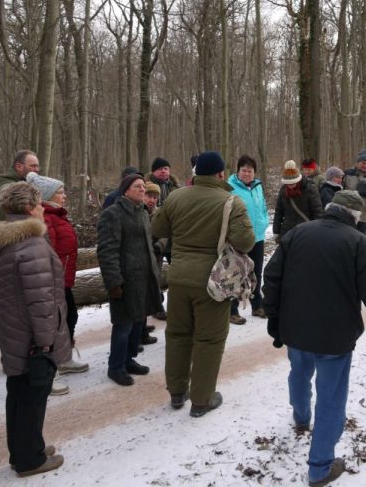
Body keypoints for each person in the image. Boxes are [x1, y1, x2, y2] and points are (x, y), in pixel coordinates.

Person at [263, 190, 366, 487]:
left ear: (330, 209)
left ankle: (301, 416)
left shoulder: (298, 234)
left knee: (299, 373)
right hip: (335, 336)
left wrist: (275, 321)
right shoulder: (359, 243)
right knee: (330, 397)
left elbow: (272, 277)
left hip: (296, 329)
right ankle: (319, 468)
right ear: (354, 217)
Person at [152, 151, 255, 417]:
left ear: (196, 173)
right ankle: (201, 400)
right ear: (221, 174)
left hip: (178, 278)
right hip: (213, 282)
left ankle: (177, 392)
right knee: (209, 339)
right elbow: (245, 243)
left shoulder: (175, 196)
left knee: (177, 335)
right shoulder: (231, 202)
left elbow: (158, 229)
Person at [0, 181, 69, 477]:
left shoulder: (9, 239)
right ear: (30, 207)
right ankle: (29, 459)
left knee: (19, 393)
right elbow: (41, 299)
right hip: (31, 335)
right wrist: (45, 343)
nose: (41, 208)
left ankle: (24, 447)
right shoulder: (31, 244)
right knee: (33, 395)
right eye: (38, 204)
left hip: (14, 329)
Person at [26, 172, 89, 396]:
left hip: (63, 279)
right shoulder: (47, 218)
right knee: (53, 325)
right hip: (52, 282)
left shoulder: (56, 215)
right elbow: (47, 251)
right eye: (60, 192)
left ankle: (62, 359)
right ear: (48, 195)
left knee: (68, 318)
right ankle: (48, 371)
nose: (64, 196)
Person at [98, 174, 160, 386]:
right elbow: (107, 251)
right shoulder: (113, 214)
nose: (143, 190)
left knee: (137, 323)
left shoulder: (142, 213)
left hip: (143, 280)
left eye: (144, 186)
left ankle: (128, 359)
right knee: (123, 326)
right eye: (137, 186)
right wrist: (114, 282)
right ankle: (115, 367)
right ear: (125, 190)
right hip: (125, 281)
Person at [228, 155, 269, 323]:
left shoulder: (258, 186)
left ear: (254, 173)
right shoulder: (230, 187)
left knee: (256, 272)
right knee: (235, 274)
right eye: (243, 170)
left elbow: (263, 207)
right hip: (238, 239)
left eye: (250, 171)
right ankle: (232, 310)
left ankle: (257, 305)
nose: (247, 174)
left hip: (257, 237)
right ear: (238, 171)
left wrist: (264, 222)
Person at [273, 160, 323, 242]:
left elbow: (318, 212)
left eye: (292, 183)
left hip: (307, 231)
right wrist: (276, 231)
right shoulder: (283, 190)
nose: (290, 186)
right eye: (287, 184)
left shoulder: (310, 188)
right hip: (287, 232)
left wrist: (318, 232)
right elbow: (278, 212)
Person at [0, 150, 40, 225]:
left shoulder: (25, 188)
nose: (37, 170)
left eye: (37, 166)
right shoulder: (9, 191)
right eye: (33, 166)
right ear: (19, 166)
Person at [142, 182, 167, 331]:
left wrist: (160, 246)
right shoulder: (140, 212)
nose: (152, 200)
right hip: (142, 255)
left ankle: (157, 308)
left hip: (156, 255)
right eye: (149, 196)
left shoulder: (159, 213)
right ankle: (141, 325)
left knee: (154, 283)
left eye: (155, 197)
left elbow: (165, 232)